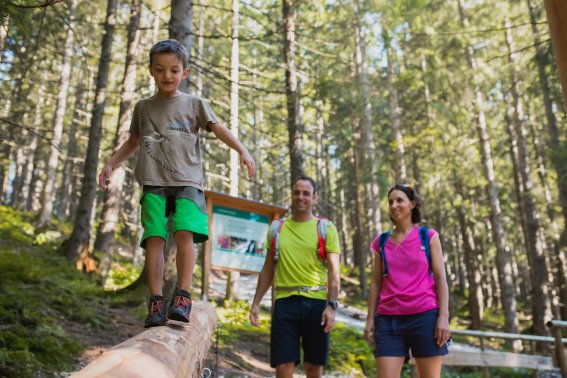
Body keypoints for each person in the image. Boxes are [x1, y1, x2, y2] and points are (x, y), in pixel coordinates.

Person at [98, 39, 256, 328]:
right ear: (151, 71)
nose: (167, 76)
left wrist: (243, 151)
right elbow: (133, 141)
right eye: (160, 70)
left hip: (188, 181)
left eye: (173, 70)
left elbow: (218, 128)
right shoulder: (143, 107)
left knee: (185, 233)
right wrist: (111, 163)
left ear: (184, 72)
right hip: (152, 180)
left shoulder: (195, 104)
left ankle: (183, 297)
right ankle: (156, 302)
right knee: (155, 237)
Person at [249, 176, 341, 378]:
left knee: (313, 368)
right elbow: (267, 269)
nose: (301, 197)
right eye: (297, 192)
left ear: (314, 197)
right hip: (284, 303)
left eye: (306, 193)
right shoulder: (277, 228)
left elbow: (334, 271)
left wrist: (332, 305)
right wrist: (256, 302)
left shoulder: (326, 229)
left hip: (316, 303)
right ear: (292, 195)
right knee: (283, 366)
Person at [364, 184, 450, 378]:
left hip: (425, 317)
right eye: (391, 202)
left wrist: (443, 317)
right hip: (388, 320)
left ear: (412, 204)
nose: (394, 205)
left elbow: (440, 279)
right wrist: (370, 318)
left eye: (399, 200)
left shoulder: (428, 236)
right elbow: (376, 283)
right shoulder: (381, 241)